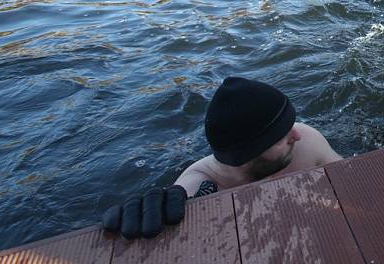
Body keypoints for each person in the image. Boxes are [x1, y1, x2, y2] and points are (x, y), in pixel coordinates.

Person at [102, 77, 341, 239]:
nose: (296, 135)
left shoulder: (307, 142)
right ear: (246, 155)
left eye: (290, 125)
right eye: (280, 136)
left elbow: (350, 180)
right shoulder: (200, 188)